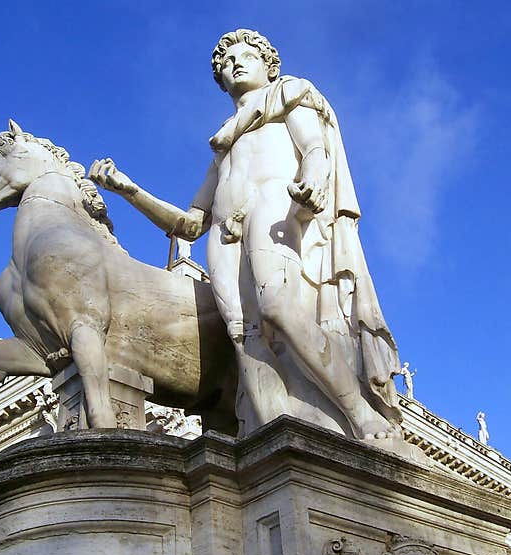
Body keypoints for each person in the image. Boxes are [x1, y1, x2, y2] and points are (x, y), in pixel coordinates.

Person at [89, 29, 402, 440]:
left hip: (273, 202)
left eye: (245, 57)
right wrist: (129, 190)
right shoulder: (223, 147)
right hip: (222, 231)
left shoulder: (288, 95)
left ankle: (360, 415)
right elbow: (189, 224)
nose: (234, 64)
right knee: (244, 337)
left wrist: (313, 179)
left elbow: (313, 149)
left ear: (268, 66)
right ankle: (272, 435)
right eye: (225, 63)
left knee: (277, 308)